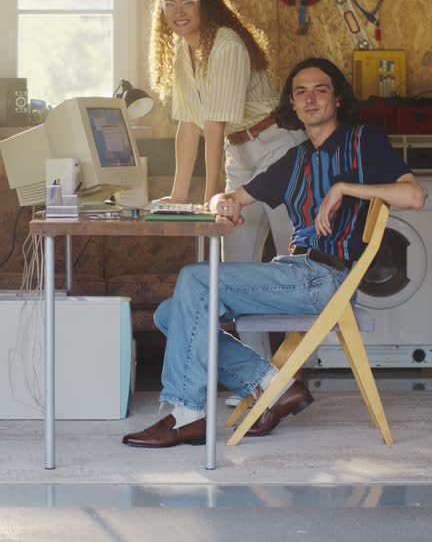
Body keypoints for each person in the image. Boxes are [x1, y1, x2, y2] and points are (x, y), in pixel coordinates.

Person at [123, 58, 425, 448]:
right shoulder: (295, 159)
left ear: (336, 99)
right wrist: (224, 202)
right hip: (294, 271)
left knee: (194, 279)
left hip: (325, 278)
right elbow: (233, 194)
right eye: (301, 92)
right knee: (171, 313)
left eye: (320, 90)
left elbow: (414, 195)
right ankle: (273, 385)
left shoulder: (362, 141)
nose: (310, 98)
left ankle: (186, 414)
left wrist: (345, 188)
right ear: (292, 105)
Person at [149, 0, 305, 368]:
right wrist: (179, 198)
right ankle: (260, 379)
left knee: (297, 263)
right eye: (169, 5)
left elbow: (213, 130)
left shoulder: (228, 45)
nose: (178, 12)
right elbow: (189, 126)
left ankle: (297, 369)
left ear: (207, 4)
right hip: (241, 157)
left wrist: (208, 204)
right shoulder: (186, 49)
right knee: (236, 271)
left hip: (279, 151)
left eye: (188, 2)